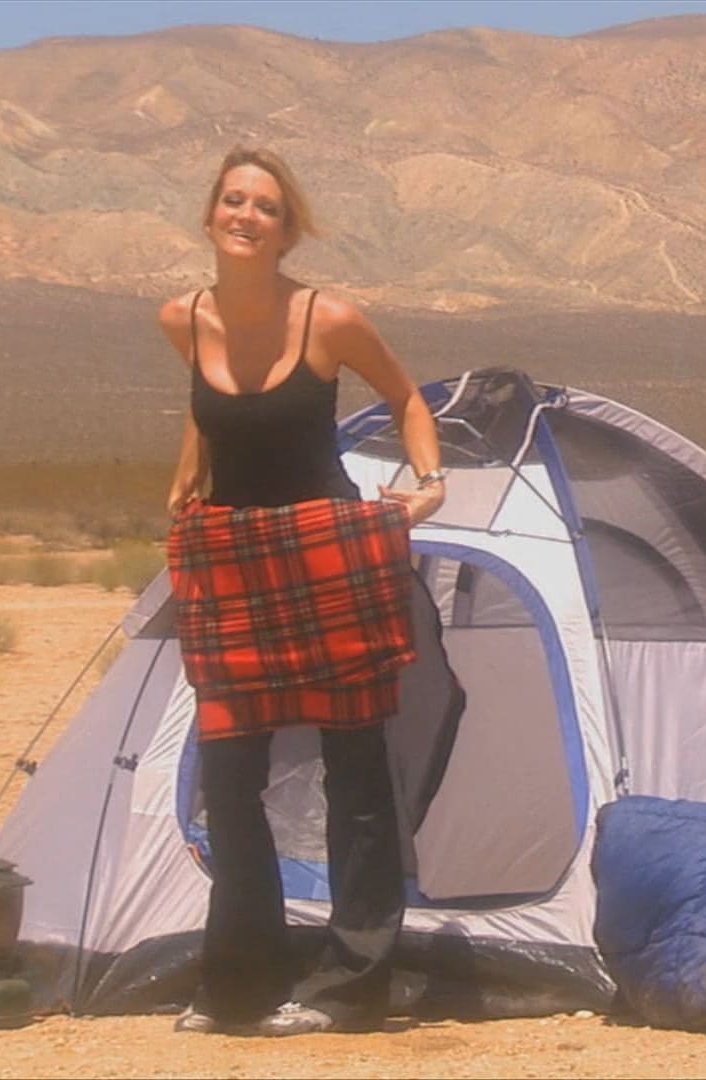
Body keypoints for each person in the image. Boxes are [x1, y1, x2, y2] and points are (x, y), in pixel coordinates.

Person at [158, 147, 447, 1037]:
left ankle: (350, 986)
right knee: (229, 776)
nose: (247, 216)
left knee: (353, 772)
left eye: (267, 207)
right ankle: (240, 982)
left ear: (288, 231)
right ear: (210, 214)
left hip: (327, 553)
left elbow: (406, 398)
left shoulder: (330, 319)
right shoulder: (182, 318)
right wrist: (185, 480)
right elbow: (208, 413)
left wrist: (429, 482)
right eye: (234, 200)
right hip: (234, 561)